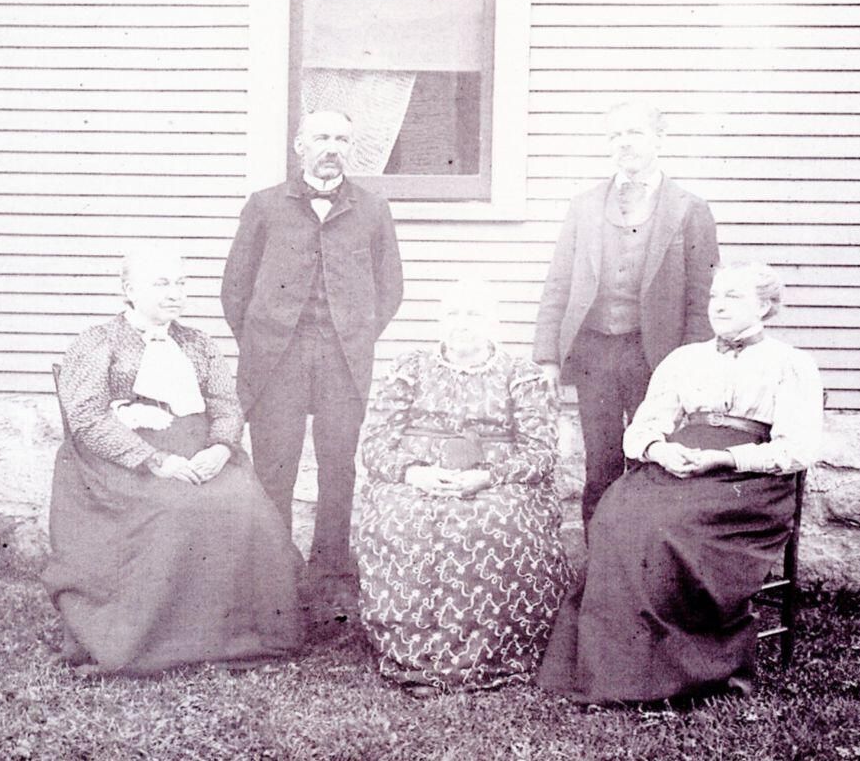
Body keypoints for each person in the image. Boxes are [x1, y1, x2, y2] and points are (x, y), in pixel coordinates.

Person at [537, 262, 824, 704]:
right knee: (616, 514)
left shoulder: (791, 364)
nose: (718, 306)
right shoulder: (685, 359)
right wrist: (659, 450)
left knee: (670, 529)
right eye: (714, 296)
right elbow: (643, 426)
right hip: (682, 462)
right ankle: (614, 666)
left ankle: (676, 669)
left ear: (765, 307)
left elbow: (796, 450)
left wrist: (722, 458)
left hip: (749, 483)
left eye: (733, 297)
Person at [43, 248, 302, 675]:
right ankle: (155, 638)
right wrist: (154, 460)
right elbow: (86, 418)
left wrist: (221, 447)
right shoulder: (98, 341)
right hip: (121, 461)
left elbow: (226, 404)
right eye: (161, 284)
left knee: (246, 505)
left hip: (198, 449)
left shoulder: (198, 343)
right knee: (174, 508)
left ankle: (238, 635)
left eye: (180, 284)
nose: (175, 294)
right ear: (129, 290)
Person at [221, 109, 404, 622]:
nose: (332, 147)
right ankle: (272, 577)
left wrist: (353, 335)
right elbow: (235, 289)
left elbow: (390, 289)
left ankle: (330, 581)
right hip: (277, 359)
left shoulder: (373, 210)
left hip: (342, 360)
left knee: (338, 469)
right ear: (300, 145)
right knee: (273, 468)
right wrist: (265, 340)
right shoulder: (264, 206)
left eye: (342, 139)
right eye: (322, 137)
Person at [356, 281, 574, 696]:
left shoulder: (521, 375)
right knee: (404, 518)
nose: (462, 324)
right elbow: (376, 444)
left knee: (493, 522)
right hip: (420, 477)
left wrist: (488, 476)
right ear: (440, 321)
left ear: (493, 323)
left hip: (498, 480)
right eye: (453, 314)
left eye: (473, 314)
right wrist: (413, 473)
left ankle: (490, 656)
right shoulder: (409, 369)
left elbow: (541, 451)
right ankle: (415, 655)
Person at [534, 100, 720, 528]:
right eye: (614, 135)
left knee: (650, 461)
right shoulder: (584, 205)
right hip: (594, 353)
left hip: (655, 356)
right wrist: (547, 357)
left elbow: (702, 296)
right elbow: (558, 282)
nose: (623, 143)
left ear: (659, 139)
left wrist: (689, 366)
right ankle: (599, 564)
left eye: (634, 133)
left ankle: (640, 564)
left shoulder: (690, 209)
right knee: (599, 463)